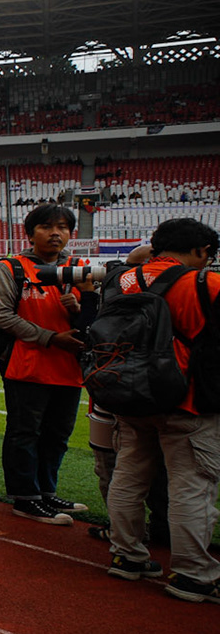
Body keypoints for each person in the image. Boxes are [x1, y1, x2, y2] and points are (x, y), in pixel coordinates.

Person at [102, 217, 220, 604]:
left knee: (130, 474)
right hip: (185, 397)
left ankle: (126, 555)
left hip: (129, 392)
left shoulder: (122, 280)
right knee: (191, 484)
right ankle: (192, 575)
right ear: (202, 251)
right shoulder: (205, 282)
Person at [0, 204, 94, 526]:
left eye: (63, 227)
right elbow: (0, 314)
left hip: (69, 367)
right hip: (27, 366)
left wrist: (80, 306)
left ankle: (46, 491)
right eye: (47, 226)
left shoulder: (80, 267)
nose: (56, 233)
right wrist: (49, 337)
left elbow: (96, 321)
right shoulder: (12, 267)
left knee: (58, 434)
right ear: (30, 233)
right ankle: (25, 497)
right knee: (25, 432)